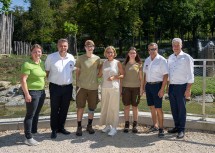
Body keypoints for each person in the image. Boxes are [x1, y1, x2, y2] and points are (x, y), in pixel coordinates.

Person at [45, 38, 75, 139]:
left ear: (68, 47)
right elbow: (47, 72)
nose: (63, 48)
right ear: (57, 46)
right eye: (61, 46)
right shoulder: (51, 57)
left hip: (68, 88)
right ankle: (54, 129)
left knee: (64, 109)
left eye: (65, 46)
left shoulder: (71, 57)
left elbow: (73, 71)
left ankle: (61, 127)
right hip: (55, 87)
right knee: (54, 109)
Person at [167, 38, 194, 139]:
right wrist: (167, 86)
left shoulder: (187, 58)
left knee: (182, 109)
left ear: (181, 46)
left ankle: (182, 129)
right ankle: (176, 127)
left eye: (177, 45)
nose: (175, 47)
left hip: (182, 86)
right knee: (174, 108)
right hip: (172, 86)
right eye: (174, 45)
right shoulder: (170, 57)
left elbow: (191, 75)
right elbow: (169, 73)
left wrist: (188, 89)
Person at [21, 44, 46, 146]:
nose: (37, 53)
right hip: (32, 92)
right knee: (30, 115)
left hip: (41, 91)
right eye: (35, 52)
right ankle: (28, 137)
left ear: (41, 53)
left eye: (39, 51)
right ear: (31, 53)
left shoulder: (41, 63)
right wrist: (27, 94)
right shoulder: (27, 64)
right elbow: (23, 80)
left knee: (36, 113)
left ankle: (33, 131)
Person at [75, 40, 101, 136]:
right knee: (80, 108)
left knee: (91, 108)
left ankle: (89, 126)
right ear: (85, 47)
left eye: (91, 46)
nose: (89, 48)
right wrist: (77, 85)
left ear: (94, 47)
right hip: (82, 88)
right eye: (87, 46)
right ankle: (79, 127)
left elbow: (100, 71)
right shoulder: (80, 58)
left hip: (93, 88)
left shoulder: (98, 59)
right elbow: (77, 72)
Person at [143, 43, 168, 138]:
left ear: (157, 49)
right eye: (150, 49)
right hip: (148, 86)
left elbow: (166, 75)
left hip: (157, 85)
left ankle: (161, 129)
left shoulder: (162, 60)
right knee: (152, 107)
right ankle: (155, 125)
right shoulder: (147, 60)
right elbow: (145, 75)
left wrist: (162, 89)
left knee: (158, 108)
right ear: (148, 50)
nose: (152, 51)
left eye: (154, 49)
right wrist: (143, 87)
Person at [98, 46, 124, 136]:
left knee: (113, 108)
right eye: (108, 52)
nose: (109, 54)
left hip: (114, 88)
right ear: (105, 53)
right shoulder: (103, 63)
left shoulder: (117, 63)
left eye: (111, 52)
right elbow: (99, 75)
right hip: (104, 87)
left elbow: (123, 75)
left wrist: (114, 77)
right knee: (105, 107)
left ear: (114, 53)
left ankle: (114, 127)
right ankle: (107, 125)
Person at [121, 47, 143, 133]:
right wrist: (120, 89)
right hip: (126, 88)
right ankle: (126, 124)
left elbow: (141, 78)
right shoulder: (124, 64)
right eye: (131, 53)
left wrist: (141, 89)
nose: (132, 54)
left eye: (134, 53)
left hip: (136, 89)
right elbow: (121, 78)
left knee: (135, 106)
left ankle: (135, 124)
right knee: (126, 106)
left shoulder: (139, 64)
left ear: (136, 54)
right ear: (128, 54)